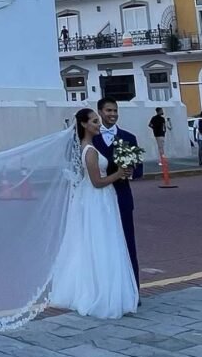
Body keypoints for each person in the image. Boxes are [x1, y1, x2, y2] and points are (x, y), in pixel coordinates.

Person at [50, 109, 139, 318]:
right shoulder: (89, 150)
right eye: (94, 121)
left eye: (98, 121)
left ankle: (103, 289)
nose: (99, 124)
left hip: (101, 200)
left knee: (100, 243)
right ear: (83, 124)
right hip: (98, 200)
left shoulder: (89, 147)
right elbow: (97, 182)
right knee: (102, 243)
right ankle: (100, 294)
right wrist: (118, 173)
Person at [93, 98, 143, 286]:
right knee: (102, 244)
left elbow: (139, 169)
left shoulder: (128, 137)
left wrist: (131, 172)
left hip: (121, 197)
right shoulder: (91, 138)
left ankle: (133, 289)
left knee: (127, 243)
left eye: (115, 110)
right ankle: (107, 288)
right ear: (100, 111)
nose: (112, 114)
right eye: (108, 110)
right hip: (98, 199)